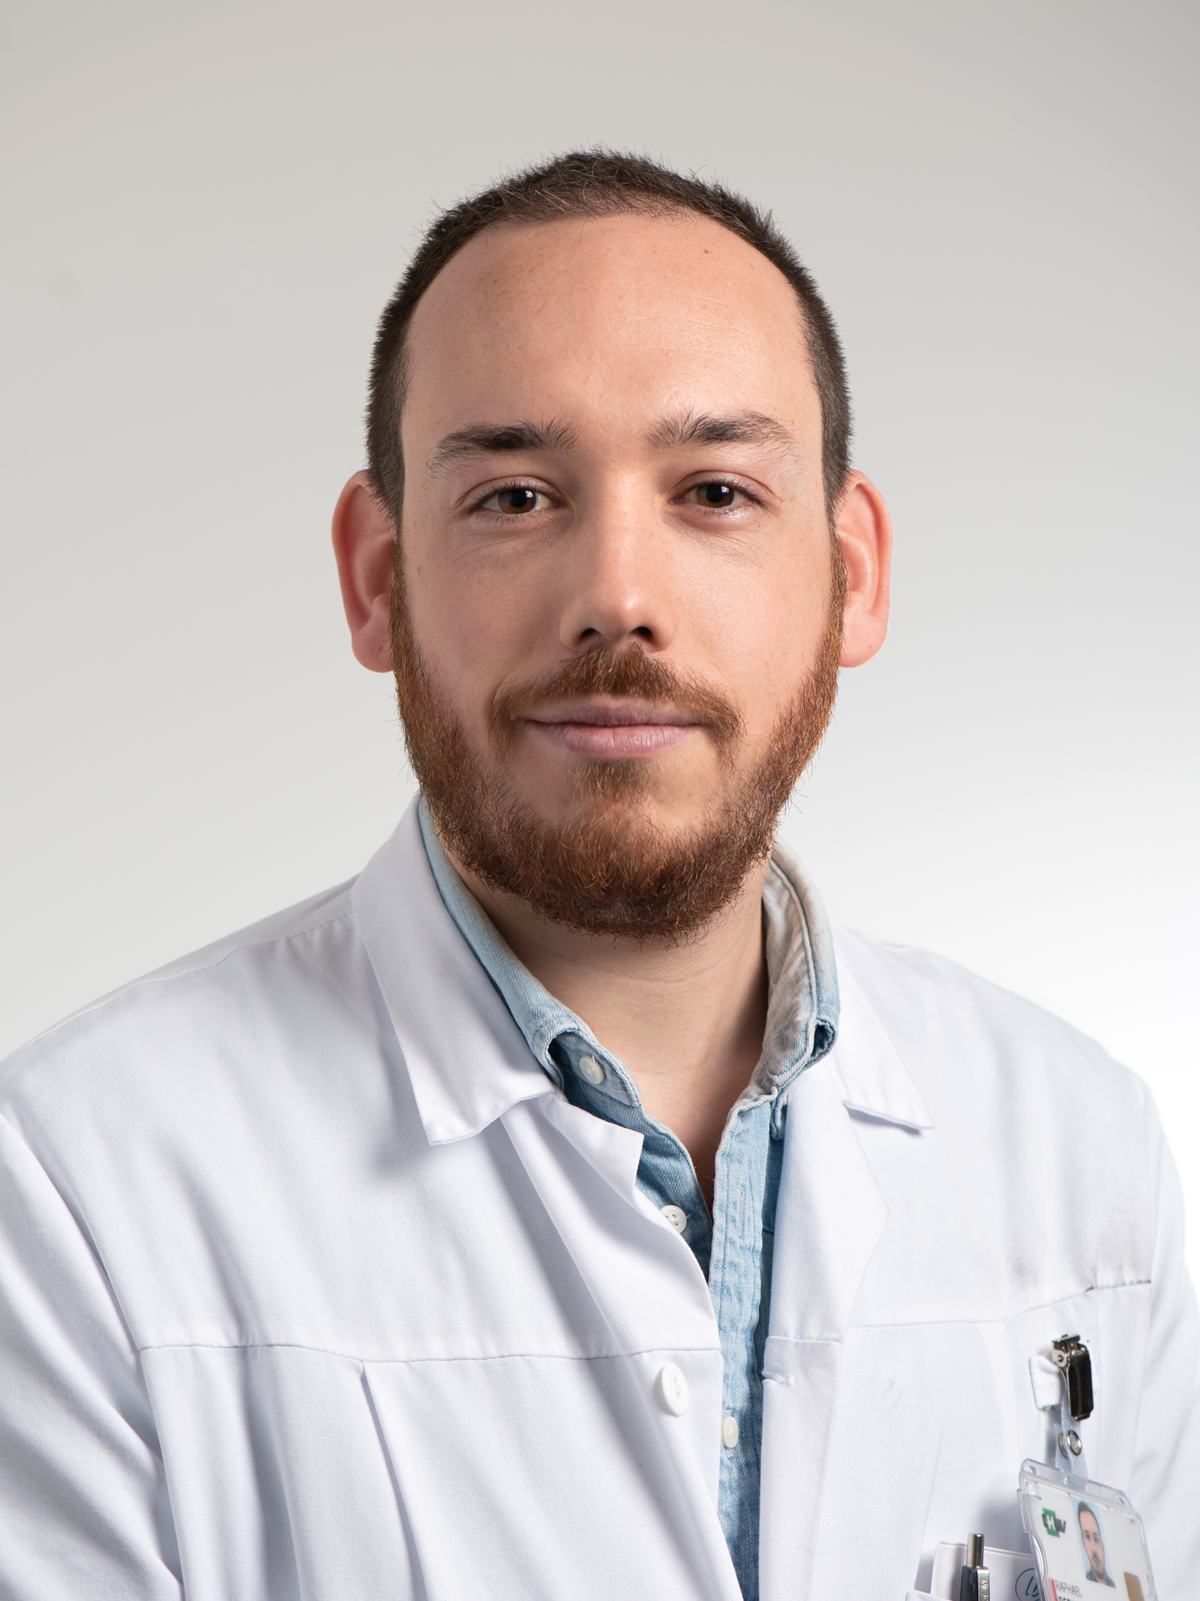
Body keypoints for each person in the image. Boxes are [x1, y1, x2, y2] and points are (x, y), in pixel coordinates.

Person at [0, 151, 1196, 1601]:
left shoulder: (1082, 1153)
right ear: (377, 578)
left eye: (715, 490)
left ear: (854, 573)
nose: (616, 595)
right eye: (514, 495)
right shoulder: (72, 1190)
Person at [1077, 1503, 1115, 1587]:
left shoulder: (1113, 1585)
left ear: (1102, 1546)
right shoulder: (1081, 1583)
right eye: (1087, 1537)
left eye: (1096, 1539)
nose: (1094, 1549)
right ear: (1083, 1542)